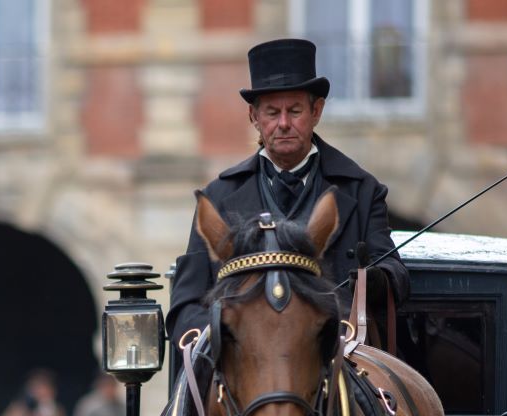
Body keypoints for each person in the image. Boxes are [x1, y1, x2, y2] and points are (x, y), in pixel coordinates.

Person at [165, 38, 409, 350]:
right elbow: (186, 303)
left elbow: (396, 274)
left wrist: (374, 280)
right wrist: (226, 340)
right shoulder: (217, 197)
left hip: (335, 353)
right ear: (254, 117)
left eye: (294, 111)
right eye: (272, 112)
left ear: (316, 111)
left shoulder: (362, 190)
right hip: (243, 360)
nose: (283, 124)